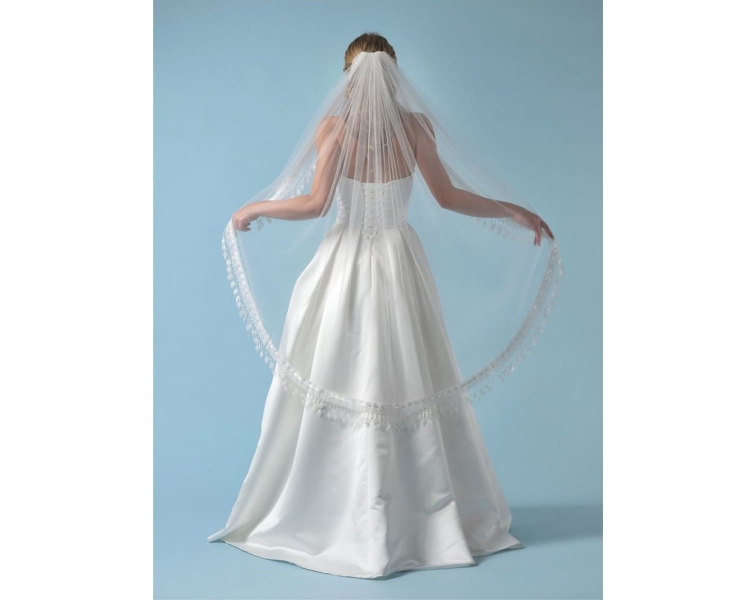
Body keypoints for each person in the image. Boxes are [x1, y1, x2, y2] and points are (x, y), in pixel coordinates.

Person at [209, 32, 563, 579]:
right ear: (394, 74)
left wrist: (254, 208)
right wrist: (512, 209)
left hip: (346, 261)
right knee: (407, 373)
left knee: (341, 369)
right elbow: (449, 197)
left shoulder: (335, 129)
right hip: (399, 262)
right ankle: (418, 512)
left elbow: (316, 204)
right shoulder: (416, 127)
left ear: (347, 76)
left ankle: (331, 508)